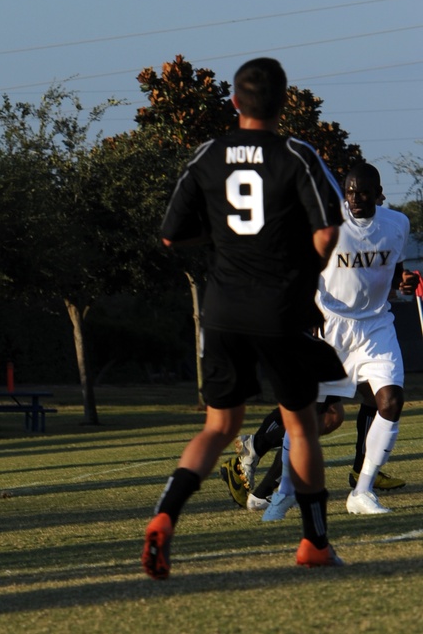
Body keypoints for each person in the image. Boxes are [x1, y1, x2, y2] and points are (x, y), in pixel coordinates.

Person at [143, 57, 346, 580]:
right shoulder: (297, 153)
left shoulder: (208, 154)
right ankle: (315, 543)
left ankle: (165, 515)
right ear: (284, 103)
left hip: (224, 308)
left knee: (218, 426)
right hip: (278, 308)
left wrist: (221, 237)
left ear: (234, 103)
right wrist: (302, 271)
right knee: (300, 426)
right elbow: (326, 232)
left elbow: (170, 234)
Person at [225, 163, 416, 518]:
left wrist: (403, 282)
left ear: (379, 194)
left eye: (363, 192)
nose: (355, 198)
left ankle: (362, 491)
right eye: (350, 191)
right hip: (331, 327)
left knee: (390, 402)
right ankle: (282, 491)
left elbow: (394, 270)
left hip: (376, 327)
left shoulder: (397, 223)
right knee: (312, 416)